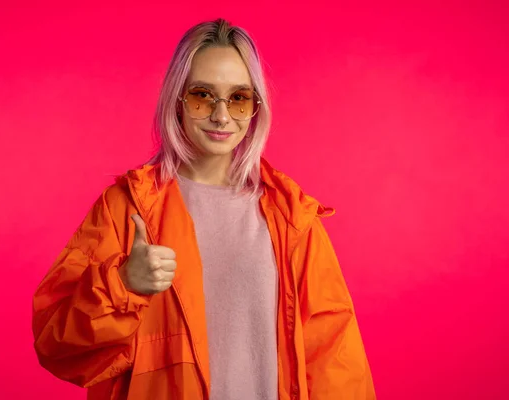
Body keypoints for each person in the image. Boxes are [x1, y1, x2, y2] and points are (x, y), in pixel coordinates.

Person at [32, 18, 376, 400]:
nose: (221, 115)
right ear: (176, 101)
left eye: (239, 98)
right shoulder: (126, 208)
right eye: (202, 96)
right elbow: (56, 346)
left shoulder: (292, 218)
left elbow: (334, 361)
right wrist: (122, 284)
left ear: (256, 107)